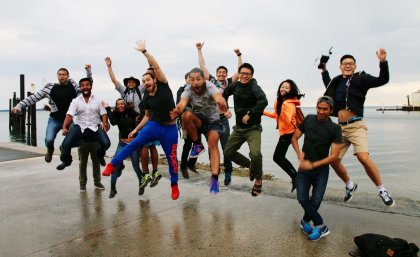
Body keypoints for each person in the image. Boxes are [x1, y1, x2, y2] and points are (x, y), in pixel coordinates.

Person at [102, 40, 180, 200]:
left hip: (170, 129)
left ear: (154, 80)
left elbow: (156, 67)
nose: (146, 82)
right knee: (134, 143)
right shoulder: (146, 99)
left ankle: (174, 184)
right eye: (143, 81)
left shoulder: (164, 86)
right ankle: (112, 164)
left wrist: (145, 52)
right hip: (154, 125)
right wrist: (136, 130)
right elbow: (147, 116)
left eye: (148, 80)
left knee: (172, 158)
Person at [320, 48, 395, 207]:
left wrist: (383, 62)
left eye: (351, 63)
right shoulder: (337, 81)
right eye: (344, 64)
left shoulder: (361, 78)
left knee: (363, 157)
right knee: (333, 160)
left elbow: (383, 79)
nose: (348, 66)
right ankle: (350, 185)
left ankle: (382, 190)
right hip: (340, 128)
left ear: (355, 66)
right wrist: (324, 70)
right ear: (340, 66)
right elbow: (328, 85)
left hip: (356, 126)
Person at [12, 66, 92, 163]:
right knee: (49, 140)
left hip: (68, 120)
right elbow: (33, 98)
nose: (62, 76)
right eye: (60, 74)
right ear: (57, 76)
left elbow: (88, 85)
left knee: (80, 139)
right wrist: (19, 106)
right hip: (54, 120)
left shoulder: (74, 87)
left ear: (68, 76)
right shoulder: (50, 89)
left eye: (64, 74)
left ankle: (64, 147)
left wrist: (88, 71)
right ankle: (50, 150)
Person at [291, 96, 342, 241]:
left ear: (331, 110)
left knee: (316, 201)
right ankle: (320, 225)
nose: (321, 111)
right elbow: (294, 138)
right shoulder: (308, 119)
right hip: (304, 169)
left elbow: (334, 156)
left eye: (325, 109)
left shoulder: (335, 129)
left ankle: (305, 222)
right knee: (302, 198)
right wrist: (299, 154)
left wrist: (313, 165)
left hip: (321, 171)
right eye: (319, 108)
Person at [170, 67, 228, 194]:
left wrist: (221, 103)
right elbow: (182, 103)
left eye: (198, 79)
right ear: (189, 80)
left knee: (213, 144)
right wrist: (177, 110)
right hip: (199, 121)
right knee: (185, 115)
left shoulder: (210, 86)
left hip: (213, 122)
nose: (195, 82)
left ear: (203, 79)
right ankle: (197, 144)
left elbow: (218, 97)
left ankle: (214, 177)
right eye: (192, 79)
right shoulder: (188, 89)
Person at [105, 57, 160, 187]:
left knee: (146, 145)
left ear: (136, 83)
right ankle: (127, 165)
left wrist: (149, 64)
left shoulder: (140, 89)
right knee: (127, 140)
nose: (130, 83)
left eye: (132, 82)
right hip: (128, 120)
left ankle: (149, 171)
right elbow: (114, 80)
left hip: (140, 118)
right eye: (128, 82)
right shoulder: (123, 91)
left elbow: (149, 78)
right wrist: (109, 66)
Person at [196, 42, 242, 186]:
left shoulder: (228, 83)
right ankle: (214, 172)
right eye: (219, 72)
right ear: (216, 74)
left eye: (224, 72)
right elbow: (202, 67)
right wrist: (199, 50)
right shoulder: (211, 82)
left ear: (226, 75)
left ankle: (228, 171)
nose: (221, 74)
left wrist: (239, 56)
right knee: (212, 147)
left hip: (222, 119)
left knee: (226, 147)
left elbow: (240, 72)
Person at [222, 63, 268, 197]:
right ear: (239, 74)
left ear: (251, 76)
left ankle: (258, 180)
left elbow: (263, 101)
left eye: (247, 74)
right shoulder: (235, 85)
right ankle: (251, 166)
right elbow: (224, 94)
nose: (244, 76)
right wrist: (225, 110)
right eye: (242, 73)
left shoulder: (254, 86)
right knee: (228, 152)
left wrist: (250, 113)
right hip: (239, 128)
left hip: (253, 128)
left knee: (256, 154)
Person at [57, 77, 111, 170]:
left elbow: (104, 113)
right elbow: (69, 115)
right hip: (80, 127)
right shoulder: (75, 101)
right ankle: (66, 161)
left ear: (91, 86)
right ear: (80, 88)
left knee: (106, 144)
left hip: (95, 126)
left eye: (87, 85)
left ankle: (100, 155)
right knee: (65, 145)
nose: (85, 87)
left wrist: (105, 123)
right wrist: (64, 127)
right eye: (82, 86)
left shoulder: (98, 100)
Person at [263, 79, 304, 192]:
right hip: (284, 133)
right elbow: (277, 116)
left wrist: (286, 112)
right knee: (279, 157)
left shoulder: (289, 103)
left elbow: (288, 119)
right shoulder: (279, 101)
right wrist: (262, 112)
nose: (284, 89)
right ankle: (296, 177)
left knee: (277, 157)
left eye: (287, 87)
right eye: (282, 86)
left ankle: (296, 177)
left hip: (289, 133)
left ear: (291, 90)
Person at [104, 98, 145, 198]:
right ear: (116, 106)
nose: (120, 106)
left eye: (122, 104)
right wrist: (108, 110)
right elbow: (113, 122)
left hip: (133, 144)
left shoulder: (131, 112)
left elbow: (141, 117)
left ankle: (141, 184)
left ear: (125, 105)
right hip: (122, 143)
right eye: (118, 104)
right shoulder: (116, 115)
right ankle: (113, 188)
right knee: (114, 164)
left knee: (136, 166)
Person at [176, 72, 199, 179]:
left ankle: (191, 164)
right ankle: (183, 167)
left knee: (198, 144)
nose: (192, 80)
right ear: (186, 80)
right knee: (187, 144)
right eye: (190, 79)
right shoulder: (181, 90)